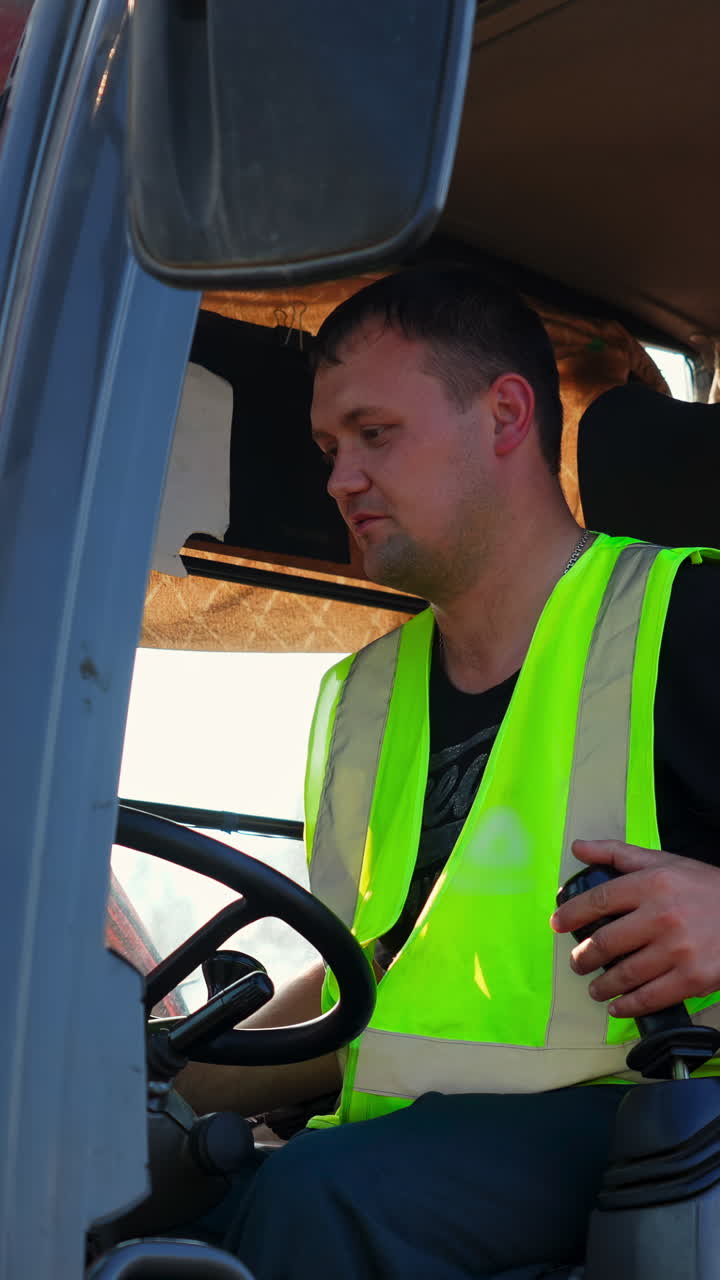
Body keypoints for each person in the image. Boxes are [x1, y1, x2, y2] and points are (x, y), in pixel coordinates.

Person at [180, 266, 720, 1278]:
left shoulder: (687, 622)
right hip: (407, 1149)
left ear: (506, 415)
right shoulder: (361, 697)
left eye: (375, 434)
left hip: (646, 1124)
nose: (340, 479)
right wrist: (157, 1079)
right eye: (330, 448)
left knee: (320, 1199)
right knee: (155, 1197)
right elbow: (371, 974)